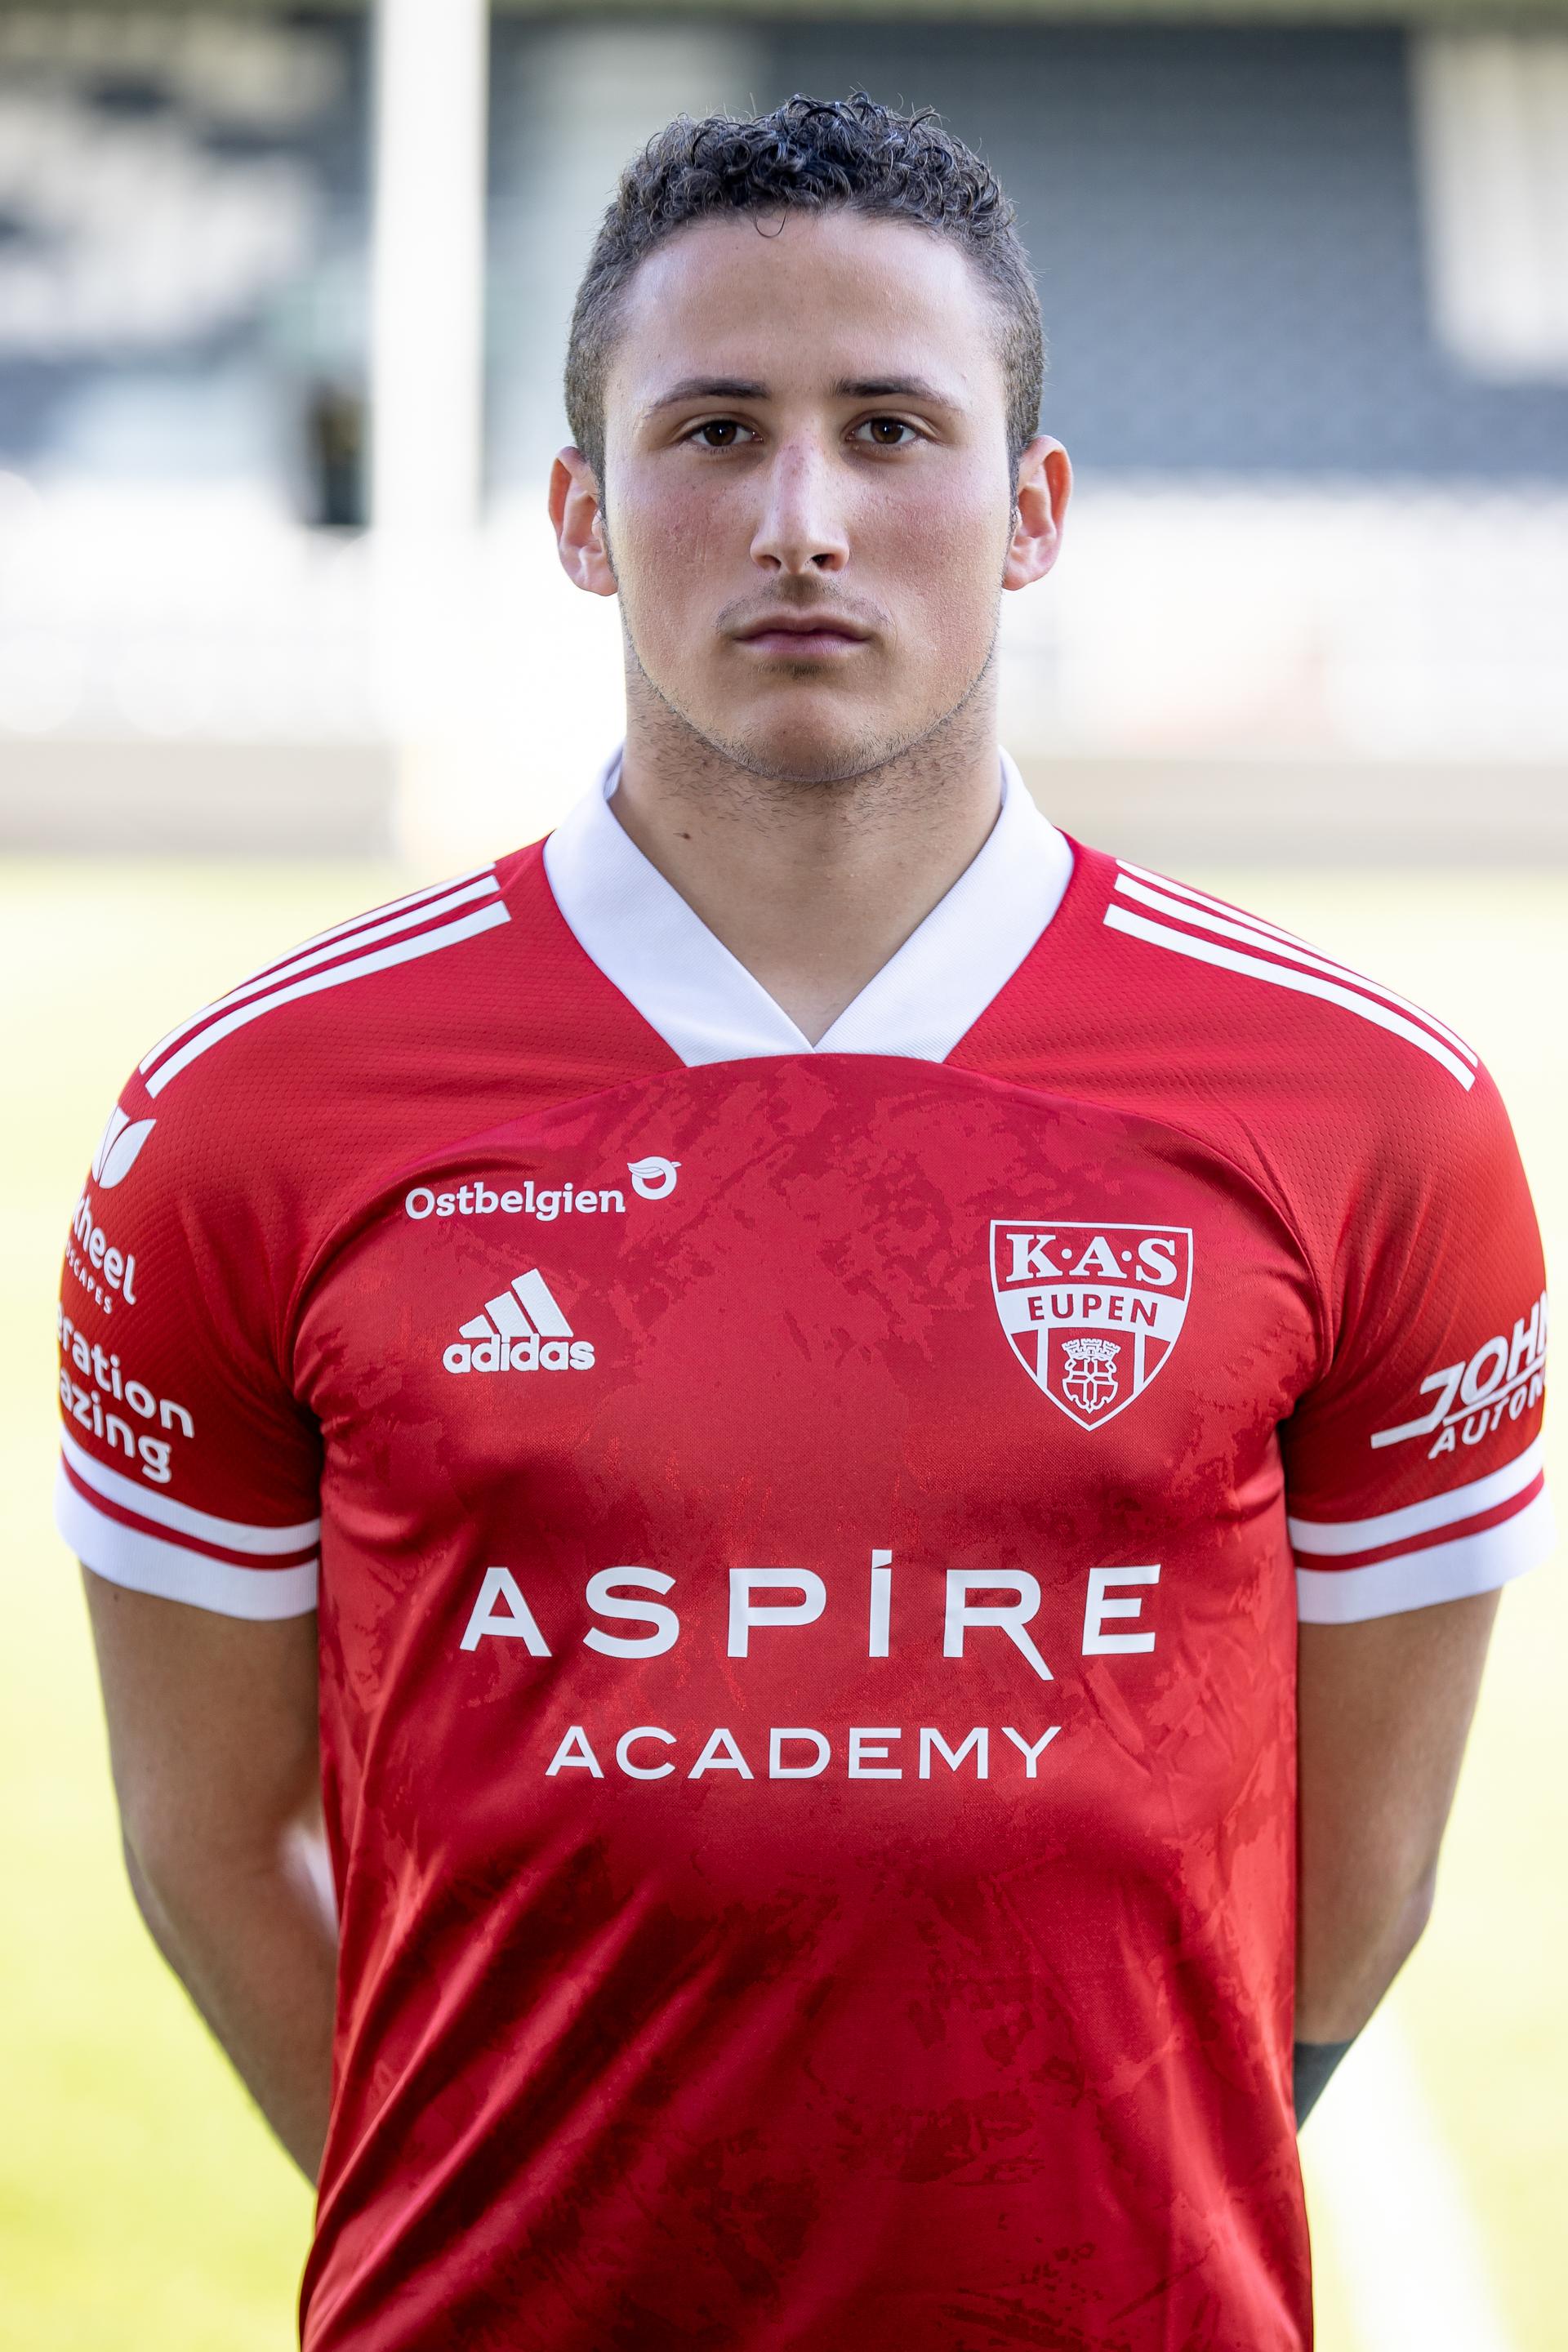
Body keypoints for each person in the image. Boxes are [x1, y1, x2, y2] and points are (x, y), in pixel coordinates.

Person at [60, 94, 1551, 2352]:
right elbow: (206, 1842)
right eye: (714, 431)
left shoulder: (1376, 1118)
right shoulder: (244, 1126)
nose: (802, 521)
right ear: (580, 515)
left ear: (1032, 511)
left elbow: (1364, 1866)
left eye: (889, 429)